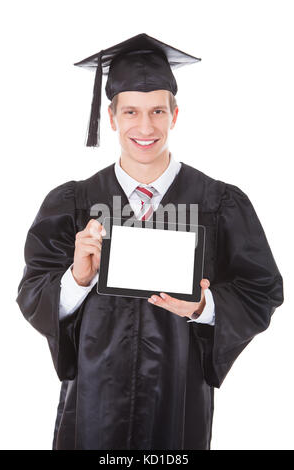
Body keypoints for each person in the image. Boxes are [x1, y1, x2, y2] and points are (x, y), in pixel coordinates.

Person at [16, 33, 284, 450]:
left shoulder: (219, 203)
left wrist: (203, 306)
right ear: (111, 117)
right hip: (92, 406)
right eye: (132, 112)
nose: (145, 126)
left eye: (158, 110)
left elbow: (262, 291)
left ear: (175, 115)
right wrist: (77, 278)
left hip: (178, 403)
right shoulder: (74, 203)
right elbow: (32, 296)